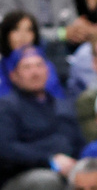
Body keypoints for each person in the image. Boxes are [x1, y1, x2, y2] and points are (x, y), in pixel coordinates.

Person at [0, 46, 83, 186]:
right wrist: (49, 160)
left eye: (39, 65)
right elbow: (6, 150)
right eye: (27, 67)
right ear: (13, 76)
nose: (35, 72)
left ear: (47, 70)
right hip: (22, 176)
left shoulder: (63, 105)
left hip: (68, 169)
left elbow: (78, 142)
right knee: (46, 180)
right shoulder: (7, 106)